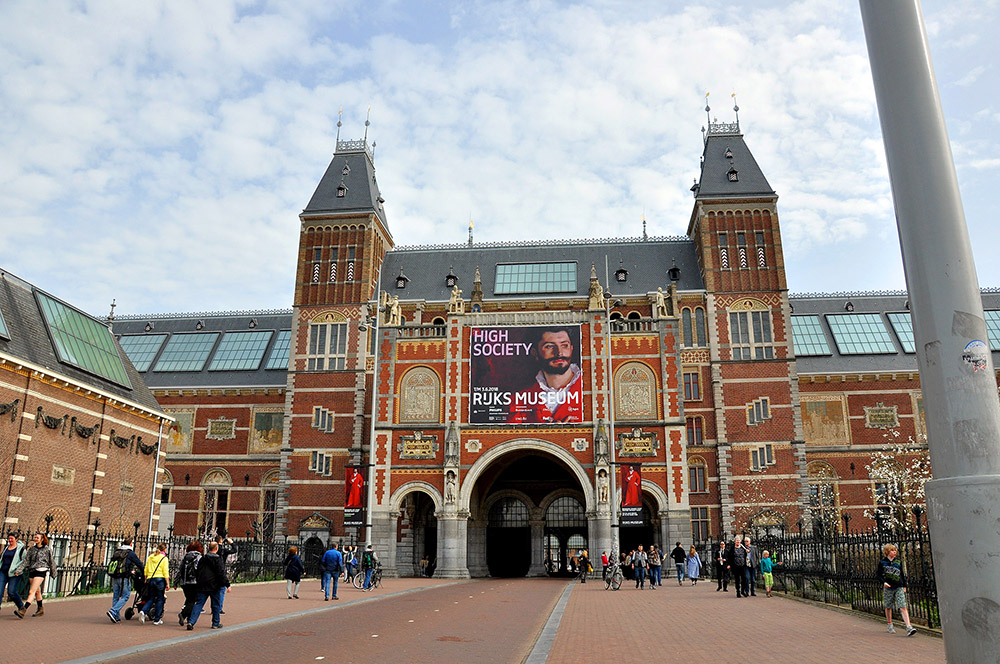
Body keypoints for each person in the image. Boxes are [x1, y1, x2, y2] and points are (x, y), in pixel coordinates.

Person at [507, 328, 583, 423]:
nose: (559, 352)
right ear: (535, 352)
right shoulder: (518, 401)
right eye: (549, 346)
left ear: (571, 348)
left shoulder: (590, 390)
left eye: (564, 345)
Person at [187, 541, 230, 630]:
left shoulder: (203, 559)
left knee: (199, 604)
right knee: (215, 605)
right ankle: (215, 623)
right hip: (214, 585)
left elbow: (197, 570)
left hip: (202, 585)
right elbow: (221, 573)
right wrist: (227, 584)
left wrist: (199, 580)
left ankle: (191, 621)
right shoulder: (218, 560)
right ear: (216, 549)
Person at [877, 543, 917, 636]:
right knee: (888, 606)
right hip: (889, 587)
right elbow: (879, 575)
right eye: (892, 550)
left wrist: (904, 585)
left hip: (898, 586)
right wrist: (884, 582)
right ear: (887, 552)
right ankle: (889, 624)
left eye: (895, 550)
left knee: (902, 605)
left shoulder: (898, 562)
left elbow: (902, 574)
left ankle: (908, 627)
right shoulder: (882, 562)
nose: (894, 552)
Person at [13, 532, 53, 618]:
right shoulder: (32, 549)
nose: (35, 539)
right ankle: (40, 609)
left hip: (41, 571)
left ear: (42, 539)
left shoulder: (47, 549)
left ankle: (23, 610)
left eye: (37, 538)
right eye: (35, 537)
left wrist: (53, 572)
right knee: (37, 591)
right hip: (32, 571)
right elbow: (26, 561)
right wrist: (19, 570)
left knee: (31, 591)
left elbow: (51, 561)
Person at [106, 536, 143, 623]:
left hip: (115, 577)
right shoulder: (130, 553)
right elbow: (139, 564)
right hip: (124, 577)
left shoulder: (117, 551)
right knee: (125, 596)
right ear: (131, 544)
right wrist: (144, 572)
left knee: (116, 596)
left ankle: (116, 616)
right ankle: (113, 611)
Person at [138, 541, 169, 624]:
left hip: (150, 579)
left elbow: (146, 568)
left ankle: (143, 611)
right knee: (160, 599)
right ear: (164, 549)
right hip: (160, 580)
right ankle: (157, 619)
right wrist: (168, 583)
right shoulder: (164, 558)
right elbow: (165, 571)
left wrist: (145, 578)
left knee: (151, 598)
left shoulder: (151, 557)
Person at [176, 541, 203, 625]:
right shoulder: (199, 557)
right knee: (193, 600)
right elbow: (198, 569)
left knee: (189, 599)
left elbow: (180, 569)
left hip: (184, 582)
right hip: (194, 582)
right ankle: (183, 614)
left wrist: (176, 581)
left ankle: (188, 618)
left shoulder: (185, 557)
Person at [1, 534, 27, 617]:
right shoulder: (6, 548)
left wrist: (18, 570)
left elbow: (24, 562)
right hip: (3, 572)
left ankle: (21, 607)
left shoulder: (21, 549)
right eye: (9, 538)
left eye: (11, 538)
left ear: (16, 539)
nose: (10, 540)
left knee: (11, 592)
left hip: (14, 573)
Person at [215, 535, 236, 614]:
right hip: (221, 570)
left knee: (213, 592)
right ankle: (219, 609)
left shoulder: (213, 549)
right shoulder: (223, 550)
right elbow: (234, 550)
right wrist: (231, 543)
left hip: (213, 571)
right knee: (221, 591)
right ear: (221, 541)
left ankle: (214, 608)